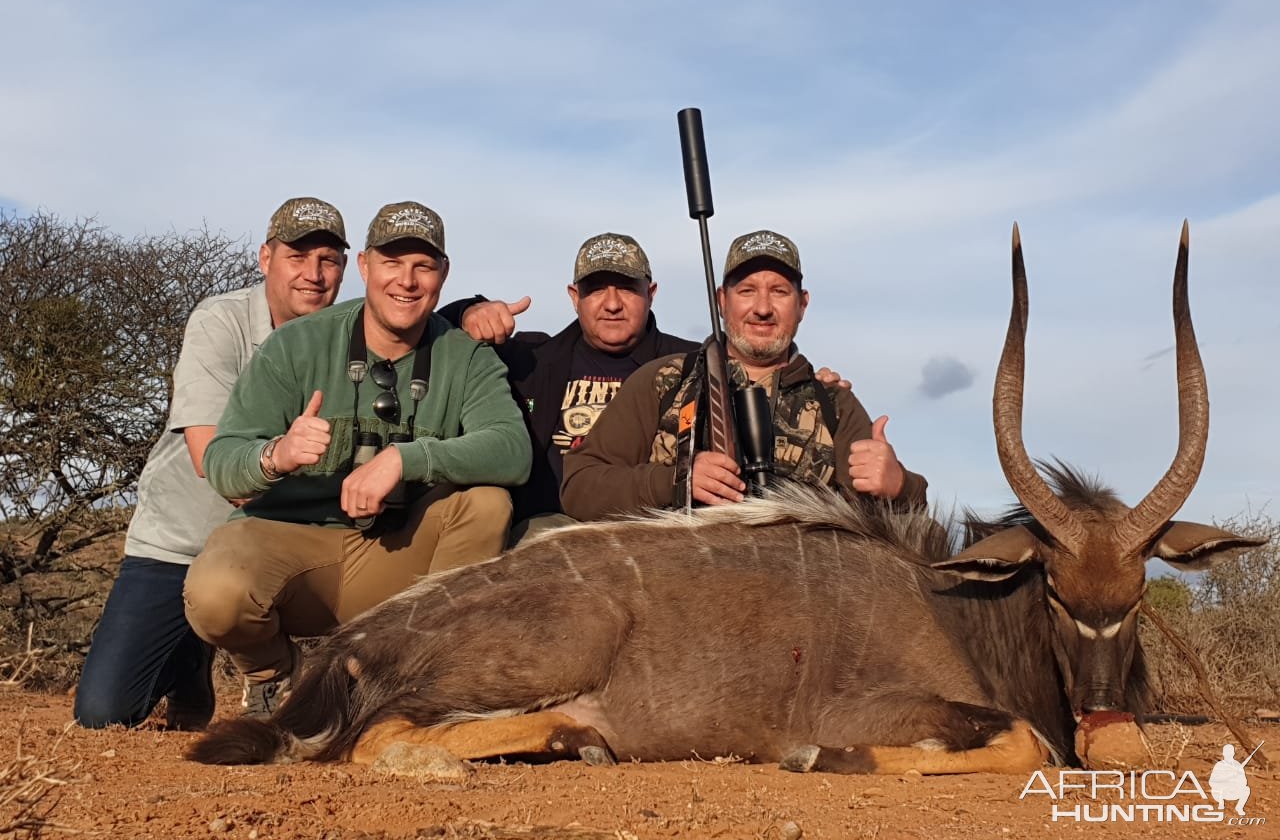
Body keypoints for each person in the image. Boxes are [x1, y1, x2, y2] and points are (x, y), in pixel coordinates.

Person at [183, 201, 531, 717]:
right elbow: (223, 460)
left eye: (424, 266)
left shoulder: (466, 355)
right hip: (294, 551)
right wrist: (277, 454)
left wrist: (405, 460)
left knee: (486, 503)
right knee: (217, 594)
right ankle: (276, 678)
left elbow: (511, 449)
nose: (407, 281)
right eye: (392, 263)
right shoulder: (294, 346)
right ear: (365, 266)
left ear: (444, 274)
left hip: (397, 556)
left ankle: (416, 685)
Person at [75, 197, 350, 730]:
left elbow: (415, 316)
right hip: (180, 542)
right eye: (297, 256)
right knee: (103, 714)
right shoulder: (219, 320)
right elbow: (212, 462)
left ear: (347, 266)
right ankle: (191, 661)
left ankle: (270, 667)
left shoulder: (354, 329)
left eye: (328, 259)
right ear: (264, 258)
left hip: (278, 543)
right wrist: (282, 457)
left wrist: (471, 308)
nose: (313, 275)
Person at [560, 229, 927, 520]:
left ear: (802, 305)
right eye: (747, 291)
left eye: (780, 292)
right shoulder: (663, 381)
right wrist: (676, 480)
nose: (763, 308)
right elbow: (579, 487)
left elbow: (907, 515)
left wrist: (900, 487)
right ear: (722, 301)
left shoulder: (835, 403)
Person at [441, 233, 697, 541]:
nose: (612, 304)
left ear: (651, 293)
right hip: (547, 532)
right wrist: (467, 311)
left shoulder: (694, 364)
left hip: (653, 529)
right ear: (574, 296)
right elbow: (430, 338)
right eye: (596, 289)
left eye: (628, 289)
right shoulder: (528, 361)